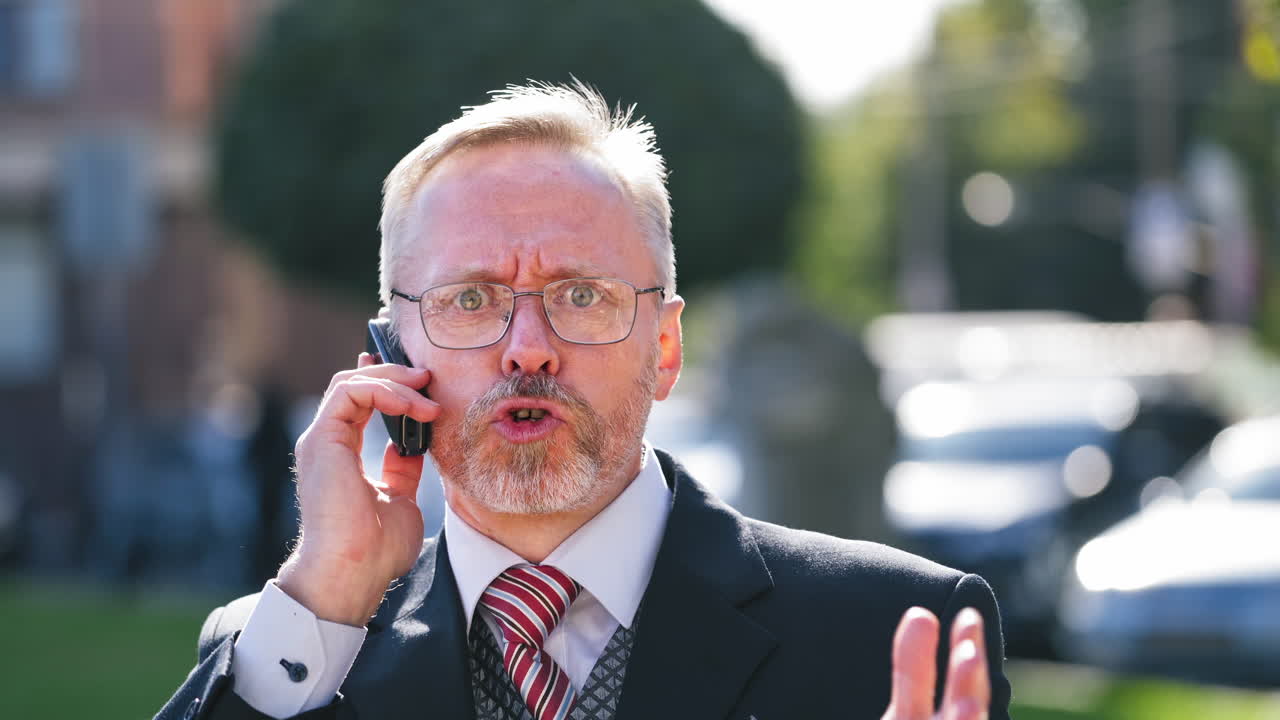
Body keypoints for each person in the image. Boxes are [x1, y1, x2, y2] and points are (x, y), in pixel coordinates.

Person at [157, 81, 1012, 720]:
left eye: (580, 295)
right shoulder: (286, 658)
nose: (527, 346)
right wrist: (325, 591)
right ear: (390, 356)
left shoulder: (901, 636)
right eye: (470, 300)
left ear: (666, 347)